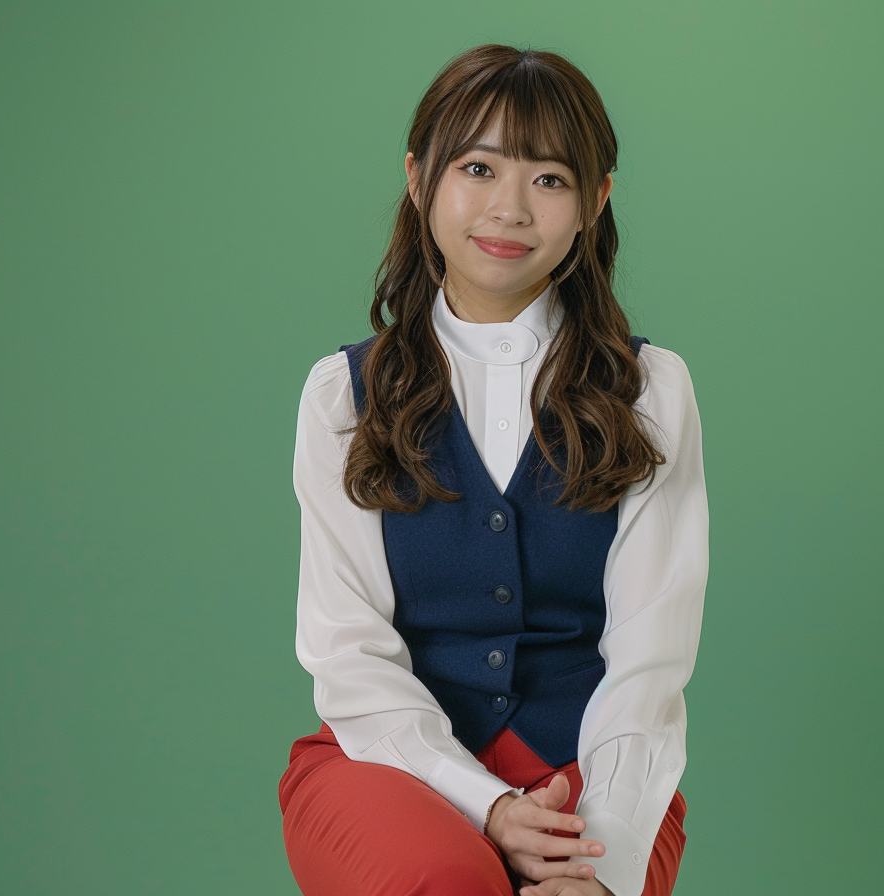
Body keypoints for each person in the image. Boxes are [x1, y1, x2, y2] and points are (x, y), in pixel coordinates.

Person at [277, 43, 709, 896]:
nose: (509, 208)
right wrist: (486, 805)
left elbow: (650, 662)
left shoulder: (651, 388)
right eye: (478, 168)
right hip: (386, 765)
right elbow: (349, 650)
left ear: (596, 201)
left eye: (549, 179)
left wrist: (607, 858)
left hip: (595, 772)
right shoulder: (344, 395)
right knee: (445, 877)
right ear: (418, 177)